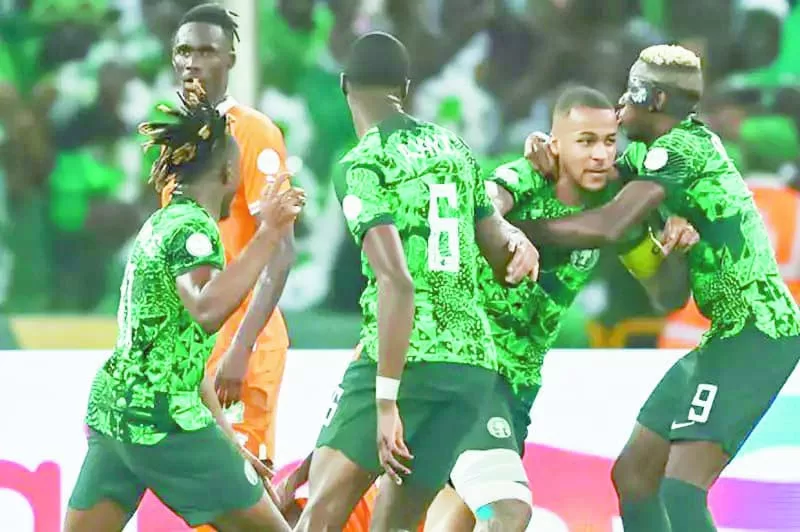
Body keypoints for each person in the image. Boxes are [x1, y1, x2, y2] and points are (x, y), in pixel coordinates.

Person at [519, 44, 800, 532]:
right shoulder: (660, 153)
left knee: (680, 491)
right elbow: (597, 177)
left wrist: (513, 230)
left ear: (655, 99)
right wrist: (551, 149)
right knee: (634, 476)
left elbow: (609, 223)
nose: (619, 103)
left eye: (629, 92)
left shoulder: (681, 150)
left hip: (756, 333)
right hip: (727, 333)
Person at [293, 32, 539, 531]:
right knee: (398, 526)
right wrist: (520, 241)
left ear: (344, 86)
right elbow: (500, 252)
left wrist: (386, 400)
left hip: (407, 358)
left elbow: (396, 282)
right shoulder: (454, 148)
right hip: (471, 367)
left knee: (322, 511)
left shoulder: (362, 164)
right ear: (404, 88)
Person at [424, 86, 698, 531]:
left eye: (608, 141)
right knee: (508, 512)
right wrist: (510, 235)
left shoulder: (612, 207)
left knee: (458, 518)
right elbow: (480, 206)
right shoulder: (526, 178)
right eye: (585, 142)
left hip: (515, 388)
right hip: (467, 369)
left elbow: (666, 297)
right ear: (555, 145)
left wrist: (675, 245)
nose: (600, 155)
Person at [64, 84, 305, 531]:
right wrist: (269, 232)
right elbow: (207, 310)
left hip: (115, 411)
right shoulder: (194, 230)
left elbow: (185, 361)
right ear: (229, 172)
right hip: (164, 419)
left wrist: (230, 445)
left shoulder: (160, 222)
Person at [169, 3, 294, 464]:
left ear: (230, 60)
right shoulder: (178, 139)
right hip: (193, 349)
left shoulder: (254, 133)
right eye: (184, 51)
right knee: (200, 488)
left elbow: (281, 248)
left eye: (206, 51)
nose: (192, 62)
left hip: (240, 344)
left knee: (241, 485)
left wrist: (242, 346)